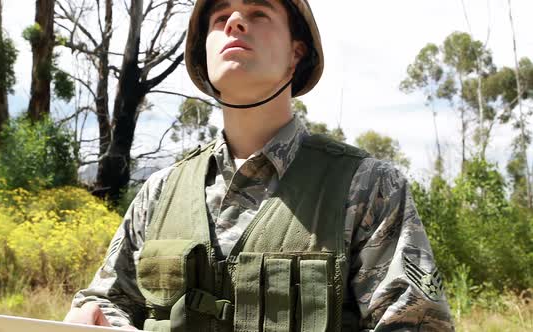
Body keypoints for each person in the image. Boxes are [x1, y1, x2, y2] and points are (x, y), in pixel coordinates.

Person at [64, 0, 454, 331]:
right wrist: (91, 317)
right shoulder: (160, 191)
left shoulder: (367, 186)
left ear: (296, 53)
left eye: (258, 12)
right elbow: (106, 302)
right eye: (220, 18)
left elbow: (413, 322)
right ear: (204, 52)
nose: (235, 22)